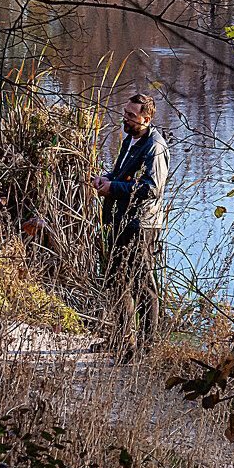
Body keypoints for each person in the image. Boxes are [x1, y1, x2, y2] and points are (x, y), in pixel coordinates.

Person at [89, 93, 170, 362]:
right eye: (125, 113)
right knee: (116, 280)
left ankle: (146, 350)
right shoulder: (130, 140)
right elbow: (121, 175)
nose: (125, 118)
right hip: (120, 220)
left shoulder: (155, 147)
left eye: (131, 116)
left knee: (143, 285)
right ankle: (121, 339)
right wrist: (105, 180)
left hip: (141, 224)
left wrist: (114, 188)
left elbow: (151, 189)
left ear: (147, 119)